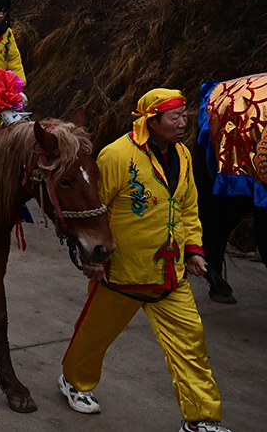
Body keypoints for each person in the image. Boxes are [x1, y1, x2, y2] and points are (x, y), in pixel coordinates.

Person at [58, 89, 230, 432]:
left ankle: (200, 419)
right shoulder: (117, 155)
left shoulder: (183, 155)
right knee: (94, 336)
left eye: (185, 116)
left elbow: (188, 206)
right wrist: (91, 257)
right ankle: (74, 382)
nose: (183, 123)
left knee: (191, 344)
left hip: (170, 274)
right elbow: (93, 209)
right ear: (151, 121)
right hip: (123, 273)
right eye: (174, 117)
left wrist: (194, 249)